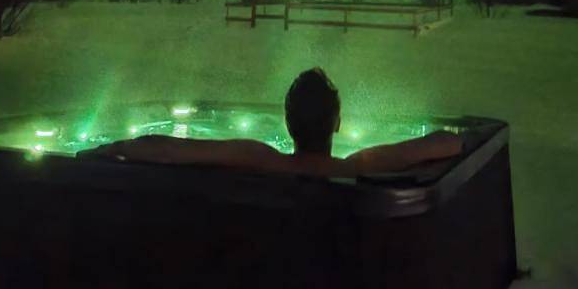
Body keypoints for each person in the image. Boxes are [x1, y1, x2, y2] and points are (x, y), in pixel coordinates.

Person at [78, 68, 463, 176]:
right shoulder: (359, 166)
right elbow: (444, 143)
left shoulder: (259, 159)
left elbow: (168, 148)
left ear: (287, 122)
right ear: (338, 123)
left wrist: (111, 148)